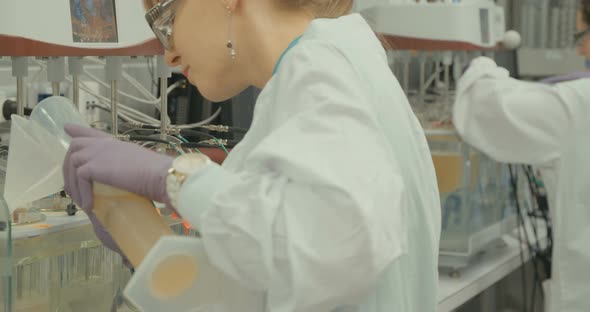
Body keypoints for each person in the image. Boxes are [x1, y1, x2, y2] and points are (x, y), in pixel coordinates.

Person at [62, 0, 441, 311]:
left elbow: (333, 243)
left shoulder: (320, 69)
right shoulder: (331, 69)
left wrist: (173, 178)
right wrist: (145, 243)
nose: (170, 55)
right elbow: (270, 280)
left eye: (165, 20)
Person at [453, 1, 590, 311]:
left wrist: (480, 64)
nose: (580, 50)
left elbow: (485, 106)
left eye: (581, 35)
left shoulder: (580, 106)